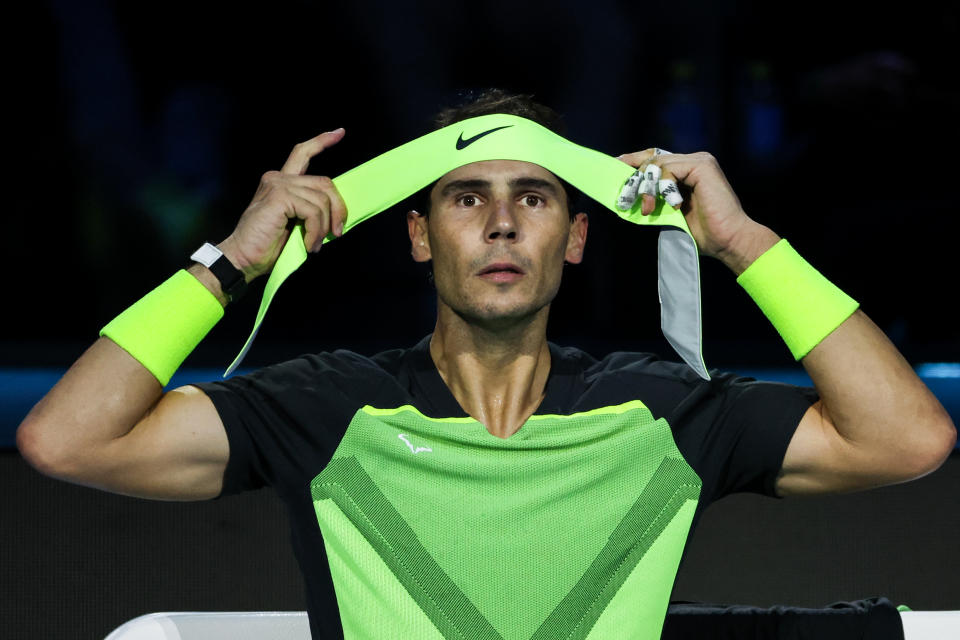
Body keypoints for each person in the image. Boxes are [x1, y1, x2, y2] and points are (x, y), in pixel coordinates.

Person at [16, 90, 956, 639]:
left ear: (579, 237)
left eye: (533, 200)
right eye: (467, 198)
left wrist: (746, 243)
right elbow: (66, 440)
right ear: (419, 236)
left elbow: (908, 437)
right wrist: (230, 263)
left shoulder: (665, 412)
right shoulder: (326, 404)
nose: (501, 222)